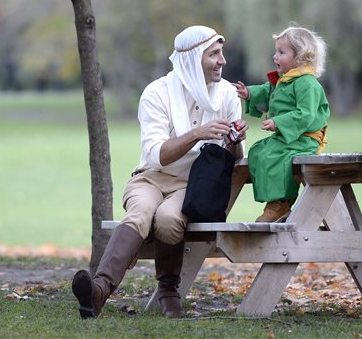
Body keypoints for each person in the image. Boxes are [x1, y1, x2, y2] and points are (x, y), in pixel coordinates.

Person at [71, 25, 247, 319]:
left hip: (191, 185)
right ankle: (98, 291)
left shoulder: (228, 95)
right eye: (214, 54)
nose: (222, 61)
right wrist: (197, 133)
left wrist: (235, 141)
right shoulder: (157, 93)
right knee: (140, 213)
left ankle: (168, 292)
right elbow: (158, 155)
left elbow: (234, 158)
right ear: (192, 58)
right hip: (149, 177)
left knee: (168, 219)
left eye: (221, 53)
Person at [233, 25, 329, 223]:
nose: (275, 57)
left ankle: (282, 202)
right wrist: (249, 93)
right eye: (276, 51)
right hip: (287, 137)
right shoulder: (285, 80)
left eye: (281, 52)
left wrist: (278, 122)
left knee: (274, 155)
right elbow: (268, 91)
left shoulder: (307, 83)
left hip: (303, 139)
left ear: (301, 56)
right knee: (259, 151)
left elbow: (306, 115)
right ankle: (273, 201)